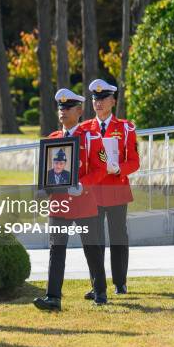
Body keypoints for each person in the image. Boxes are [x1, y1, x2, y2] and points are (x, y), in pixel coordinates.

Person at [33, 88, 109, 311]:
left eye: (67, 108)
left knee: (92, 248)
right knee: (56, 249)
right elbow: (49, 173)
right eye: (60, 108)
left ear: (79, 110)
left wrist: (84, 186)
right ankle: (53, 297)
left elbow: (101, 168)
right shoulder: (53, 139)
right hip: (59, 203)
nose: (63, 112)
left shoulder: (91, 137)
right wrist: (43, 190)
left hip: (84, 201)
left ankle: (100, 291)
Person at [81, 79, 140, 298]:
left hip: (116, 190)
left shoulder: (125, 128)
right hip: (93, 193)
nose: (98, 103)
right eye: (95, 99)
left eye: (103, 99)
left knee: (118, 237)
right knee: (93, 239)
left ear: (113, 101)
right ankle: (97, 285)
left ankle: (120, 282)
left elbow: (134, 161)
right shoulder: (85, 129)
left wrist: (119, 169)